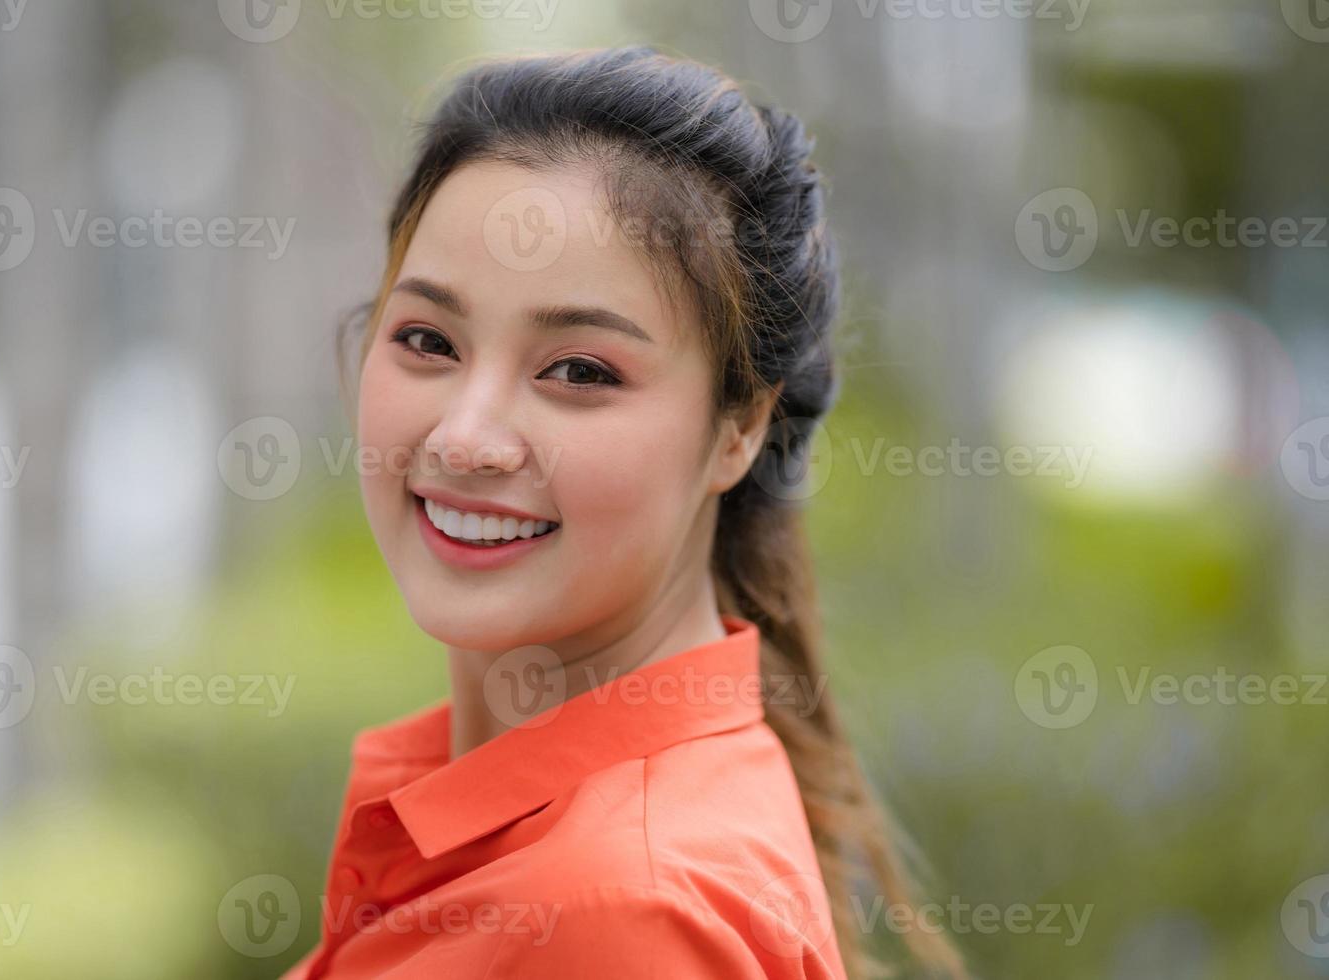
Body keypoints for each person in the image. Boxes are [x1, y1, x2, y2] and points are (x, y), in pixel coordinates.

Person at [284, 45, 966, 980]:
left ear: (738, 428)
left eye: (579, 371)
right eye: (428, 340)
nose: (465, 437)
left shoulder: (615, 918)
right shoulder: (576, 848)